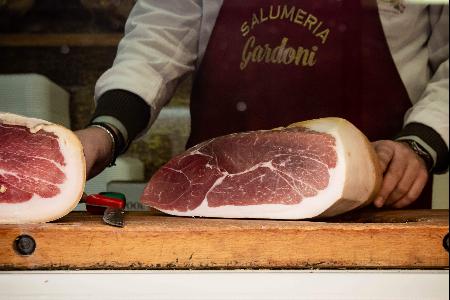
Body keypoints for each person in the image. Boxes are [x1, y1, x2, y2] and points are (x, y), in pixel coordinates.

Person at [76, 0, 449, 209]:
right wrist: (108, 128)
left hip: (374, 205)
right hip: (221, 201)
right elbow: (159, 38)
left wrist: (420, 143)